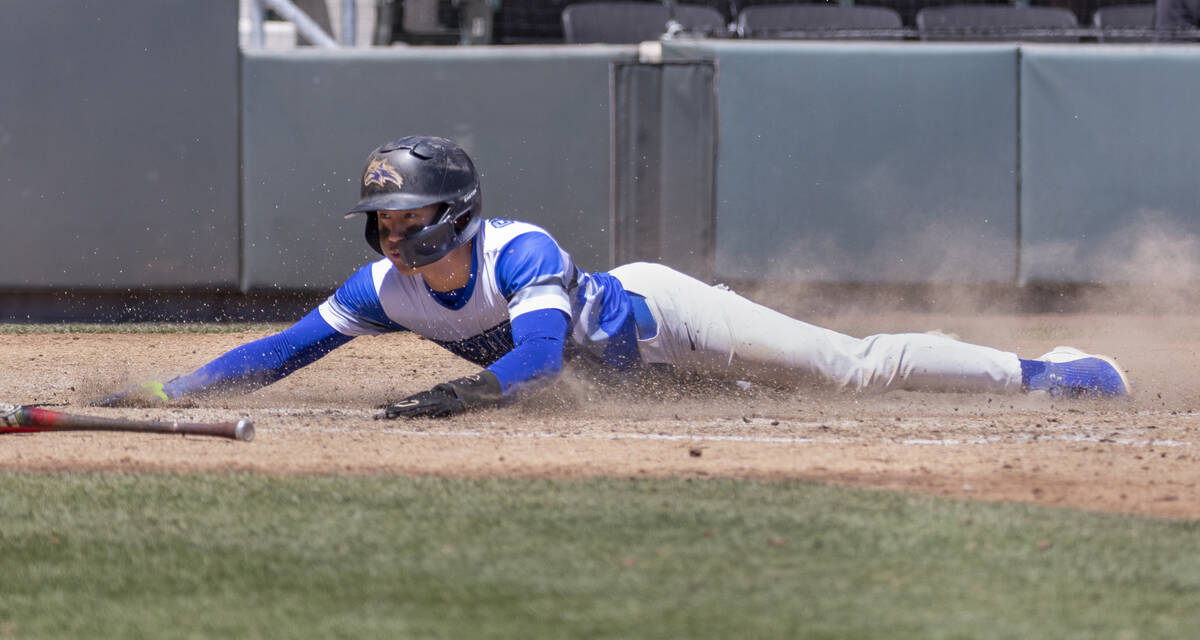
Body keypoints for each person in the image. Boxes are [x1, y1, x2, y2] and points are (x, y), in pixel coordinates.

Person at [98, 136, 1130, 417]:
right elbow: (285, 351)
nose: (389, 233)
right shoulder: (388, 291)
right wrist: (167, 391)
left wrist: (465, 393)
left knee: (845, 370)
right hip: (639, 377)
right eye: (381, 218)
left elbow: (542, 354)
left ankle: (1059, 376)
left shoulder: (518, 250)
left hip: (662, 318)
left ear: (450, 214)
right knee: (726, 406)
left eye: (405, 215)